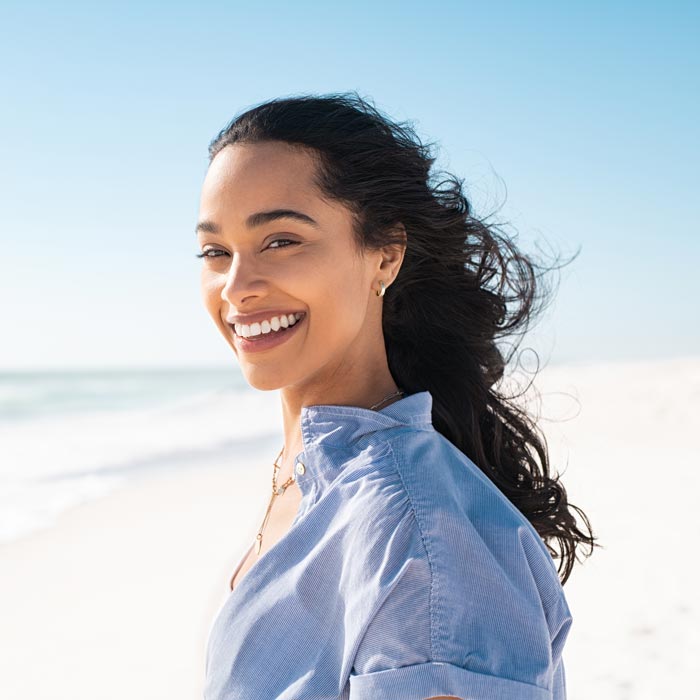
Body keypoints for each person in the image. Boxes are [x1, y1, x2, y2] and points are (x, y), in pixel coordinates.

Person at [196, 92, 597, 700]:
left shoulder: (418, 533)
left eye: (281, 241)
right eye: (215, 252)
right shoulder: (311, 472)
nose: (237, 287)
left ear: (385, 253)